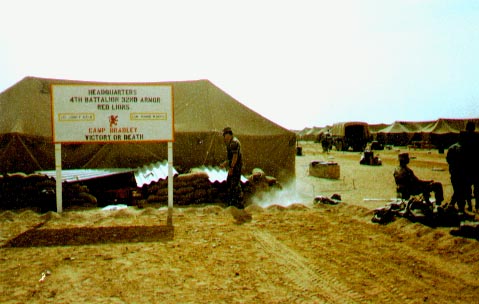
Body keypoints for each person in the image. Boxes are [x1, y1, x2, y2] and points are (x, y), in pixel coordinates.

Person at [220, 127, 244, 208]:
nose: (224, 137)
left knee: (234, 184)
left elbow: (235, 157)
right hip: (235, 166)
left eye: (224, 134)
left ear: (228, 134)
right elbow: (231, 158)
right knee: (232, 183)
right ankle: (234, 202)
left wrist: (231, 168)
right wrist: (225, 163)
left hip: (235, 167)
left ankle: (237, 204)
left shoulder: (233, 143)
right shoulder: (232, 141)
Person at [460, 121, 479, 212]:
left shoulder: (463, 137)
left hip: (466, 166)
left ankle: (470, 206)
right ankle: (477, 206)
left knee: (467, 188)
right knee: (477, 188)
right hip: (476, 166)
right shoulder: (477, 137)